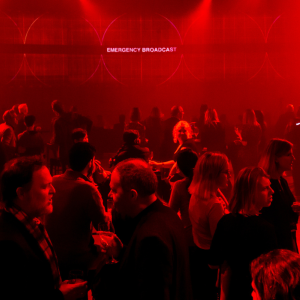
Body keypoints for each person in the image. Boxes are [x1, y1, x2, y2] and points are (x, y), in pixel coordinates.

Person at [100, 159, 193, 300]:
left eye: (113, 190)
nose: (110, 196)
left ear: (133, 195)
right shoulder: (168, 215)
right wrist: (122, 253)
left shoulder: (151, 239)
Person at [0, 156, 87, 299]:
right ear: (21, 193)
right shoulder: (8, 244)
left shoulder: (30, 222)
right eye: (45, 186)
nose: (53, 191)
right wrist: (59, 295)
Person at [209, 167, 278, 300]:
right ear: (250, 193)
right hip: (257, 293)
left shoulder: (225, 221)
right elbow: (272, 274)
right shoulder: (265, 228)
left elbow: (213, 263)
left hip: (234, 291)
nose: (272, 191)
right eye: (265, 188)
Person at [46, 142, 110, 280]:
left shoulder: (53, 181)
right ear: (91, 162)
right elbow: (103, 226)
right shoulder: (88, 189)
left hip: (50, 253)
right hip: (78, 258)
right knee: (109, 255)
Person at [188, 152, 230, 300]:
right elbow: (220, 241)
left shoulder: (197, 194)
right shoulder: (214, 204)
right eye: (226, 172)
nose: (229, 176)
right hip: (211, 262)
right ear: (214, 174)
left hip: (198, 253)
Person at [258, 138, 299, 252]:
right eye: (288, 155)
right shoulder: (265, 184)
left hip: (287, 238)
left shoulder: (283, 181)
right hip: (274, 244)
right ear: (275, 158)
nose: (293, 158)